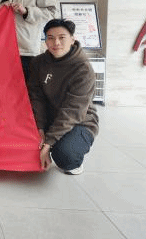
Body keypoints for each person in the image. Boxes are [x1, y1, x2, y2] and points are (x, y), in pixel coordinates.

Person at [28, 19, 99, 175]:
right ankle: (54, 139)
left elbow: (73, 111)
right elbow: (36, 98)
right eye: (50, 37)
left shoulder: (83, 69)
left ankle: (74, 147)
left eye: (62, 37)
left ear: (72, 39)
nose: (56, 43)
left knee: (66, 157)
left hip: (78, 121)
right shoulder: (38, 63)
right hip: (49, 118)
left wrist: (48, 142)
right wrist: (40, 128)